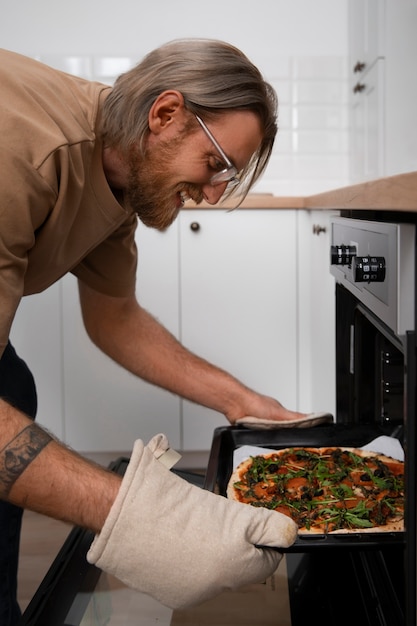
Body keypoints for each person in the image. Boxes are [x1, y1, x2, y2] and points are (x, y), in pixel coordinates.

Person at [0, 39, 330, 623]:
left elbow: (115, 316)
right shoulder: (23, 154)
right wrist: (155, 519)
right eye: (217, 165)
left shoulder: (120, 168)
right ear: (166, 115)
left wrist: (244, 403)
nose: (212, 194)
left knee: (12, 384)